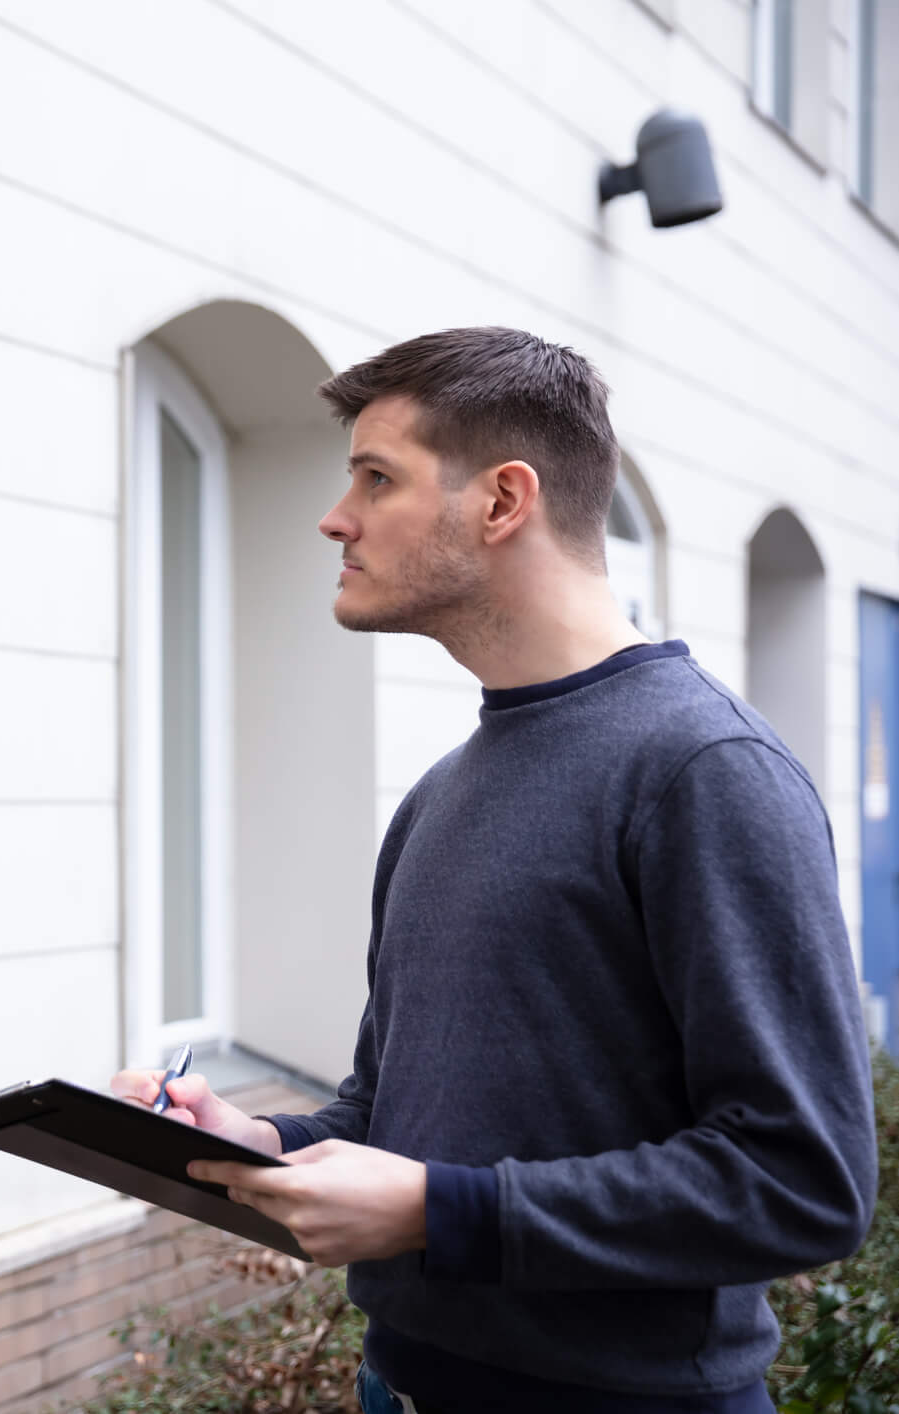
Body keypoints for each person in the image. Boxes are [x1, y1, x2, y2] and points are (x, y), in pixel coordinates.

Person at [111, 327, 877, 1413]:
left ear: (503, 501)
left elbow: (807, 1181)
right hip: (403, 1384)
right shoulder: (439, 795)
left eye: (378, 478)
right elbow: (395, 1114)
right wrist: (261, 1144)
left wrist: (442, 1209)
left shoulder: (704, 771)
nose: (337, 518)